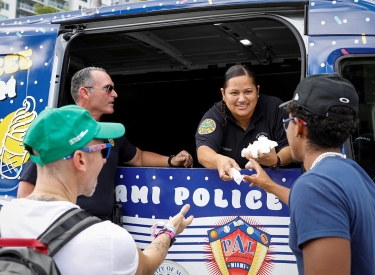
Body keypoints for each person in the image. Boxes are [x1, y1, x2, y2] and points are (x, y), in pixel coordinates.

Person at [0, 105, 194, 275]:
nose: (104, 159)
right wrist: (169, 231)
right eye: (103, 150)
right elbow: (146, 266)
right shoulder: (106, 239)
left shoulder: (5, 216)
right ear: (80, 160)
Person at [17, 67, 194, 223]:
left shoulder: (113, 134)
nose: (115, 94)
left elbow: (138, 157)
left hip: (102, 225)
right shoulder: (59, 132)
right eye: (108, 89)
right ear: (85, 93)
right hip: (68, 226)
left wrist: (171, 161)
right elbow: (25, 196)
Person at [242, 74, 375, 274]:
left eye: (288, 122)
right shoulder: (356, 174)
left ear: (299, 128)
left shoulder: (314, 187)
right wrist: (269, 185)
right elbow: (330, 208)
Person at [195, 64, 293, 181]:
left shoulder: (274, 108)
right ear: (223, 94)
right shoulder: (215, 115)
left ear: (257, 90)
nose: (241, 99)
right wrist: (218, 160)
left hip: (274, 184)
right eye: (234, 93)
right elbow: (203, 151)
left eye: (248, 92)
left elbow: (292, 147)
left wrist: (276, 160)